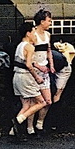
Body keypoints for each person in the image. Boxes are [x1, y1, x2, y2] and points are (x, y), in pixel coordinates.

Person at [10, 22, 48, 141]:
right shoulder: (29, 47)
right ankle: (19, 120)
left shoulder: (20, 46)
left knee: (26, 105)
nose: (35, 35)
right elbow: (28, 65)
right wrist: (37, 77)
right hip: (25, 77)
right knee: (42, 102)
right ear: (28, 33)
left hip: (17, 76)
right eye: (33, 32)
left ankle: (13, 131)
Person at [28, 9, 55, 137]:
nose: (50, 23)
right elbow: (28, 54)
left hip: (45, 70)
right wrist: (37, 65)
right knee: (33, 101)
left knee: (48, 100)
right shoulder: (33, 34)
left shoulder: (47, 35)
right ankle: (29, 127)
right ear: (42, 21)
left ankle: (40, 123)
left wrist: (51, 65)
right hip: (34, 71)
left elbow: (48, 51)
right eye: (49, 20)